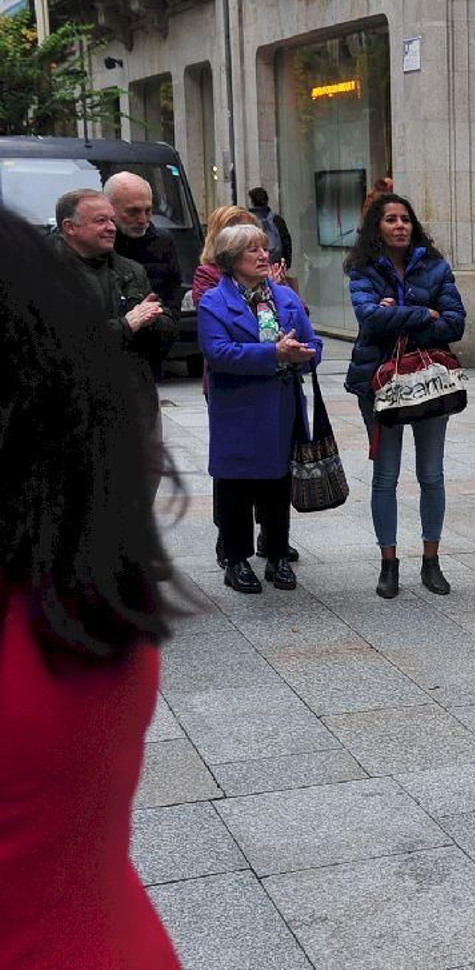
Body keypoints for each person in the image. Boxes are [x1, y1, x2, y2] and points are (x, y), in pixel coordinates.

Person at [0, 206, 183, 969]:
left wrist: (144, 325)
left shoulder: (64, 582)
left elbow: (165, 339)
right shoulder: (78, 572)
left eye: (126, 217)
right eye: (107, 216)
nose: (121, 226)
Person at [343, 193, 466, 599]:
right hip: (379, 383)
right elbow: (369, 318)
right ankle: (389, 564)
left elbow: (455, 323)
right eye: (391, 219)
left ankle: (431, 561)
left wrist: (396, 313)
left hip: (429, 380)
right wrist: (423, 313)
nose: (400, 226)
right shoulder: (362, 268)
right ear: (376, 227)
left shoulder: (435, 267)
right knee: (386, 476)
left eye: (406, 219)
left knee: (431, 474)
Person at [199, 223, 322, 593]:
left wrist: (303, 354)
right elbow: (218, 353)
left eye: (264, 248)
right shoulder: (214, 302)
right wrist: (274, 353)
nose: (264, 255)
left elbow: (314, 342)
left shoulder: (284, 297)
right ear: (231, 258)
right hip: (238, 408)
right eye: (253, 250)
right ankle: (236, 559)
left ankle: (277, 554)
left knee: (277, 482)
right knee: (235, 484)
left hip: (280, 405)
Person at [50, 189, 177, 426]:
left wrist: (153, 321)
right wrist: (127, 324)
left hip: (133, 404)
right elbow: (65, 341)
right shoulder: (44, 272)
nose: (111, 228)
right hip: (69, 411)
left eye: (112, 220)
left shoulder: (131, 270)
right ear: (70, 227)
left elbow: (165, 328)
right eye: (101, 221)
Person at [107, 169, 182, 313]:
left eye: (148, 211)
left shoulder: (163, 242)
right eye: (133, 211)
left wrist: (168, 318)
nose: (142, 219)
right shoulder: (96, 245)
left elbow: (174, 286)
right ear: (110, 208)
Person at [247, 186, 296, 289]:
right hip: (275, 267)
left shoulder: (246, 220)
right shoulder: (277, 219)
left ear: (252, 201)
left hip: (253, 269)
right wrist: (286, 263)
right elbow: (286, 242)